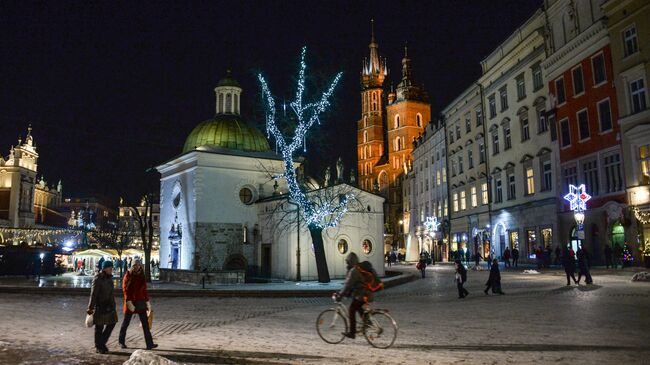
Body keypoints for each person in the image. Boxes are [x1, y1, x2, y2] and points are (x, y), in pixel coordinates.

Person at [118, 259, 157, 350]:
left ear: (140, 266)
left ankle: (149, 344)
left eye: (138, 265)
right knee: (126, 323)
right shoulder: (128, 275)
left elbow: (144, 290)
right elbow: (125, 289)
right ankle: (121, 341)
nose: (136, 266)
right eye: (134, 265)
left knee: (145, 324)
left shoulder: (142, 276)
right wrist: (128, 301)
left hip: (140, 302)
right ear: (132, 266)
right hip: (130, 302)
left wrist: (147, 302)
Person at [337, 252, 370, 339]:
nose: (347, 264)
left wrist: (340, 295)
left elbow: (348, 285)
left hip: (362, 294)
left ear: (350, 262)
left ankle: (352, 332)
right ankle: (368, 321)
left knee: (351, 310)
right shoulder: (357, 268)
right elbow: (350, 285)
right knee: (358, 307)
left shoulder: (354, 271)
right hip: (365, 293)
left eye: (347, 262)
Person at [87, 261, 117, 354]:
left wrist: (113, 304)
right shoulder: (98, 278)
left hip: (109, 305)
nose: (111, 270)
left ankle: (102, 343)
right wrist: (90, 307)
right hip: (100, 305)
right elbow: (94, 294)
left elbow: (111, 294)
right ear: (104, 268)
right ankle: (99, 346)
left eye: (112, 268)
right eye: (110, 268)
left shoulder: (109, 279)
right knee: (99, 327)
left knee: (112, 323)